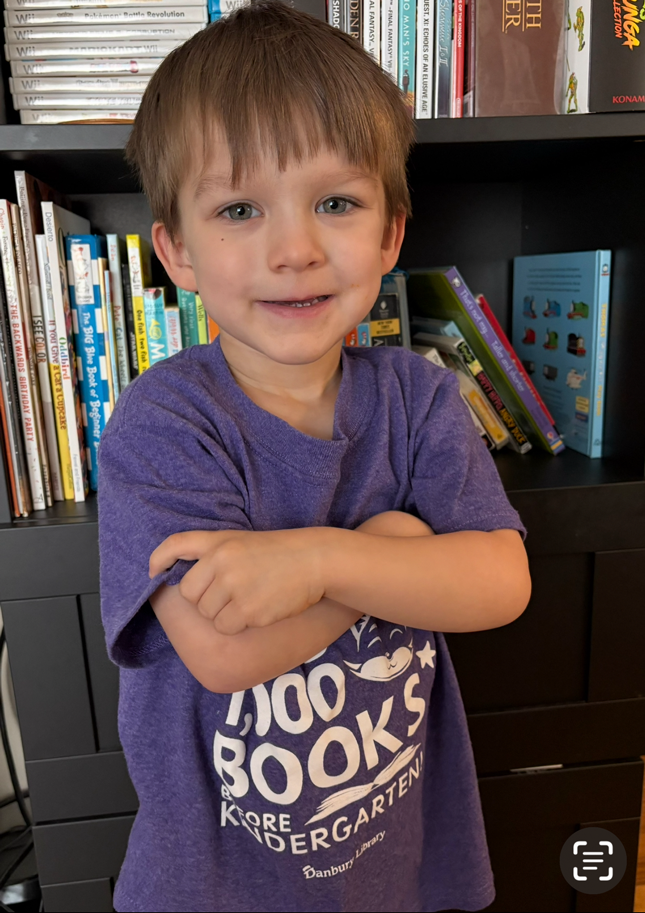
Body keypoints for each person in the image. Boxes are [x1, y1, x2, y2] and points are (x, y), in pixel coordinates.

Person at [98, 3, 531, 911]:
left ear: (389, 235)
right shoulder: (164, 419)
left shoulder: (415, 396)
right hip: (216, 884)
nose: (293, 251)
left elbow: (500, 582)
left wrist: (321, 557)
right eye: (239, 208)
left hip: (392, 858)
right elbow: (221, 649)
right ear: (174, 251)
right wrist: (393, 540)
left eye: (335, 202)